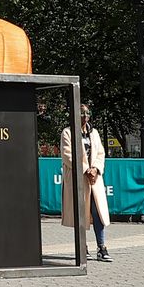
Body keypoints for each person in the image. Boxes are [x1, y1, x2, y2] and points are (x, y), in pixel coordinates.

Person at [60, 105, 111, 261]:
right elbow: (67, 154)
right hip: (79, 177)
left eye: (87, 113)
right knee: (80, 213)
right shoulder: (67, 132)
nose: (85, 116)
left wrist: (95, 168)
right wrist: (85, 169)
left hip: (94, 179)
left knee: (98, 212)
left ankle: (102, 248)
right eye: (82, 114)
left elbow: (100, 153)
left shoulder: (94, 133)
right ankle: (82, 247)